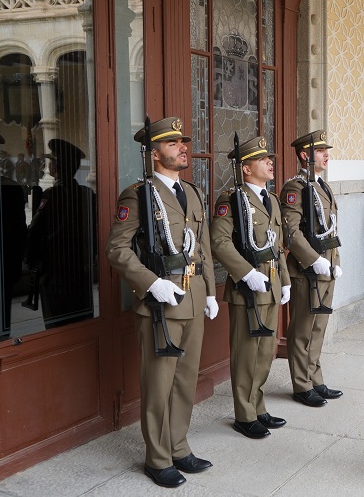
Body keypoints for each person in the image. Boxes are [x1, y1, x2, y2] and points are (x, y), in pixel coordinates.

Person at [105, 117, 217, 488]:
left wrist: (212, 292)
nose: (182, 147)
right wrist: (151, 284)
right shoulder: (137, 195)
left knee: (186, 381)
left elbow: (203, 249)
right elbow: (117, 250)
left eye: (182, 142)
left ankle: (179, 446)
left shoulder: (194, 193)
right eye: (172, 144)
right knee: (158, 382)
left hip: (193, 295)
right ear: (154, 155)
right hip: (161, 301)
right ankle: (157, 458)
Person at [210, 136, 291, 439]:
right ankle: (244, 414)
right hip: (248, 288)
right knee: (246, 353)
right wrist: (245, 273)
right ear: (246, 168)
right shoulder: (231, 200)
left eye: (270, 158)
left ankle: (257, 405)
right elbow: (219, 241)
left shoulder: (271, 199)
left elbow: (277, 246)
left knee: (265, 351)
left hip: (269, 285)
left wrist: (283, 281)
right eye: (263, 159)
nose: (271, 162)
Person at [280, 130, 343, 407]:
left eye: (326, 150)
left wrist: (335, 262)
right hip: (308, 269)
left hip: (327, 267)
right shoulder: (295, 188)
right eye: (320, 151)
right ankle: (301, 385)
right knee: (303, 329)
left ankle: (315, 378)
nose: (326, 154)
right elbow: (291, 231)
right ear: (305, 156)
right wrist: (314, 260)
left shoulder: (322, 186)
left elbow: (330, 229)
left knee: (319, 328)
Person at [25, 138, 97, 329]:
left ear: (56, 167)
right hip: (81, 271)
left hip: (56, 273)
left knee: (57, 323)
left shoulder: (51, 194)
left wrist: (30, 261)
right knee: (82, 322)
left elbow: (34, 231)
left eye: (52, 162)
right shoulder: (87, 194)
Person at [0, 129, 27, 340]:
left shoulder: (9, 189)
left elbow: (18, 234)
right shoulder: (10, 189)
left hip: (1, 269)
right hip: (3, 268)